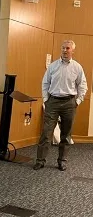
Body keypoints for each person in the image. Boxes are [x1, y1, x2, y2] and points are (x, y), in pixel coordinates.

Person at [33, 40, 87, 171]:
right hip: (53, 102)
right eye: (63, 48)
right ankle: (40, 160)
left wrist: (78, 101)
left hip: (69, 103)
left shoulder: (77, 67)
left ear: (72, 50)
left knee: (66, 134)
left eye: (67, 48)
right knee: (46, 133)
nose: (65, 50)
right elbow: (45, 83)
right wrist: (46, 100)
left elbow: (82, 85)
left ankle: (62, 161)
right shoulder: (52, 66)